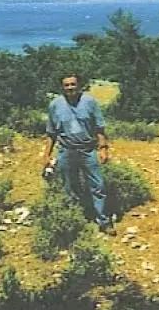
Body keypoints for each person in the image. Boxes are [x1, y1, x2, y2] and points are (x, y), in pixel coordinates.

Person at [43, 73, 114, 233]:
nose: (70, 88)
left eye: (73, 84)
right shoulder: (55, 105)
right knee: (70, 187)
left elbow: (99, 127)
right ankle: (75, 220)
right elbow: (51, 133)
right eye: (66, 85)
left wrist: (103, 148)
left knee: (98, 186)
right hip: (66, 151)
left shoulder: (89, 102)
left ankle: (103, 221)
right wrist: (46, 154)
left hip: (88, 150)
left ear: (79, 85)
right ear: (62, 87)